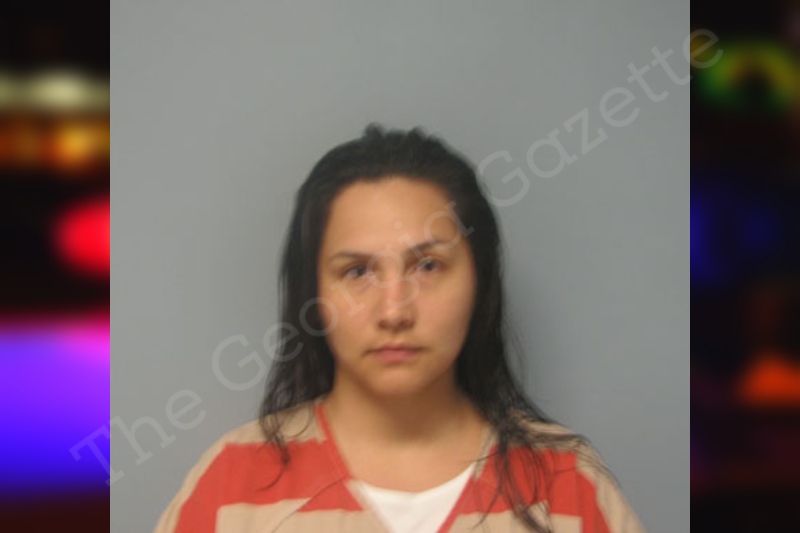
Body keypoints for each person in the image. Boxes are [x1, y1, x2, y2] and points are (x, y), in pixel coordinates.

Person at [153, 124, 646, 533]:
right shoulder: (232, 486)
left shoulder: (568, 485)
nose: (394, 312)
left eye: (428, 266)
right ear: (313, 293)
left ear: (479, 282)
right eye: (357, 271)